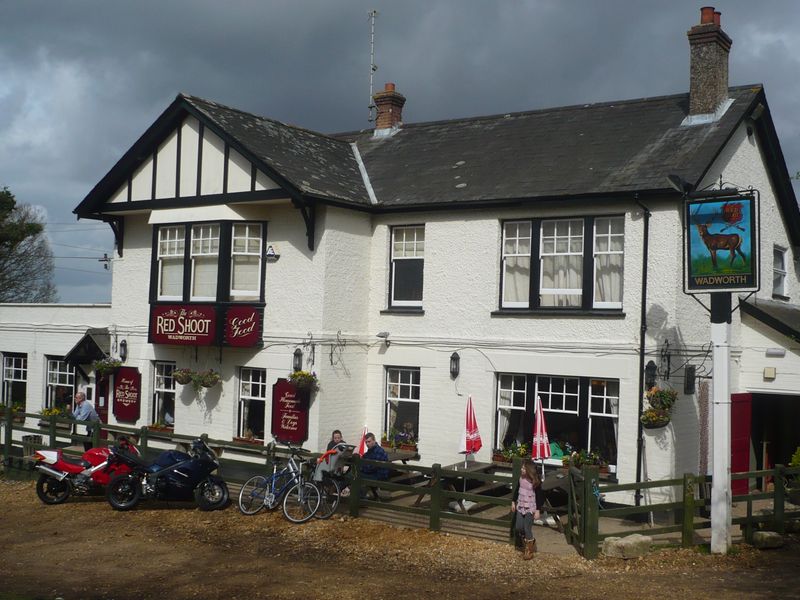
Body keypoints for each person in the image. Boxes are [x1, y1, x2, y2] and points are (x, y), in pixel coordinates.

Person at [511, 460, 544, 560]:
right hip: (521, 506)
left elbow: (539, 497)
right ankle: (530, 541)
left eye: (524, 468)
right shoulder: (521, 479)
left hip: (530, 508)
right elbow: (517, 490)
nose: (521, 469)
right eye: (522, 468)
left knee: (527, 528)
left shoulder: (535, 482)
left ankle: (529, 551)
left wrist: (538, 510)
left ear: (529, 470)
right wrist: (513, 501)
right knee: (518, 528)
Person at [360, 432, 389, 498]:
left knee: (356, 476)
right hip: (373, 474)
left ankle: (360, 499)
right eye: (366, 442)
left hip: (380, 476)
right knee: (355, 475)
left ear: (374, 441)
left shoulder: (379, 451)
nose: (367, 444)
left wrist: (361, 468)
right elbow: (363, 459)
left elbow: (371, 467)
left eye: (369, 442)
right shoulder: (370, 451)